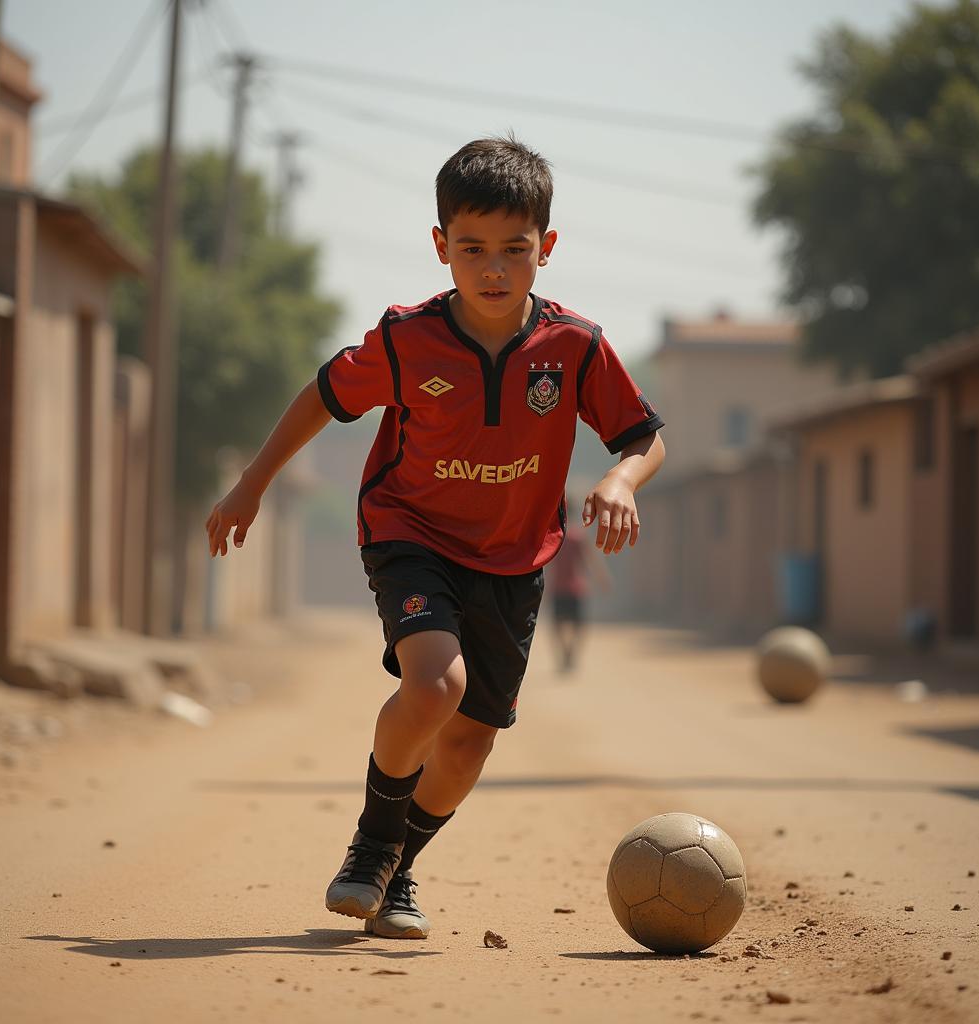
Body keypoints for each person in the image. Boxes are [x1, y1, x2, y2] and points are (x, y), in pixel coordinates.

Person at [205, 135, 666, 941]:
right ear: (441, 246)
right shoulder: (407, 339)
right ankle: (369, 848)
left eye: (515, 250)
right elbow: (322, 396)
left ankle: (397, 870)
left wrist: (621, 480)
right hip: (410, 535)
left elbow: (642, 435)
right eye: (472, 248)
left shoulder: (575, 346)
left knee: (466, 750)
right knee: (434, 688)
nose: (493, 268)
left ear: (546, 249)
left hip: (516, 558)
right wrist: (252, 482)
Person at [547, 521, 610, 674]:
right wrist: (602, 578)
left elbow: (547, 562)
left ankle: (566, 652)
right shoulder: (579, 537)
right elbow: (591, 560)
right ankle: (570, 652)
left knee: (558, 624)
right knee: (579, 624)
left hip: (559, 586)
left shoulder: (554, 537)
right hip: (576, 587)